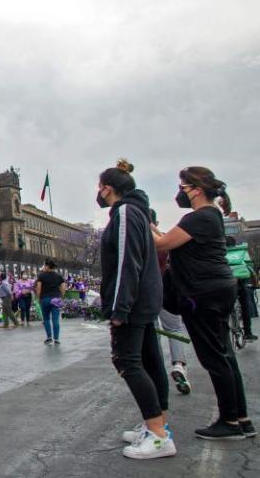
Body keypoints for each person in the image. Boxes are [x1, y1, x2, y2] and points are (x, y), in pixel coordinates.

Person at [152, 166, 252, 440]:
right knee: (225, 355)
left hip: (202, 292)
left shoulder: (199, 217)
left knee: (214, 358)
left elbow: (162, 244)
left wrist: (142, 221)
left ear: (196, 189)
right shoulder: (212, 215)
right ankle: (241, 418)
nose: (180, 192)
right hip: (218, 288)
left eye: (183, 187)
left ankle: (229, 422)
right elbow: (170, 240)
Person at [97, 159, 174, 459]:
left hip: (134, 301)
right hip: (143, 299)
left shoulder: (126, 212)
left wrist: (119, 307)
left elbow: (128, 261)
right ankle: (157, 425)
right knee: (150, 360)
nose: (99, 193)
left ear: (107, 189)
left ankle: (157, 436)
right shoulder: (135, 210)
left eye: (100, 187)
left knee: (127, 362)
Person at [151, 208, 192, 395]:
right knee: (174, 329)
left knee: (153, 334)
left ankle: (156, 372)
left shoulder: (135, 240)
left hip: (147, 294)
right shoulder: (163, 240)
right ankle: (178, 364)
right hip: (166, 289)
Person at [36, 260, 65, 345]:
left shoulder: (41, 275)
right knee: (55, 320)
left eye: (44, 266)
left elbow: (38, 288)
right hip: (56, 299)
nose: (44, 267)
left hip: (45, 299)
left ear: (48, 266)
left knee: (46, 319)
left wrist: (39, 298)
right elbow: (63, 287)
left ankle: (49, 337)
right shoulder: (59, 276)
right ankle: (56, 339)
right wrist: (61, 297)